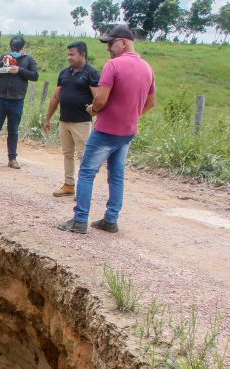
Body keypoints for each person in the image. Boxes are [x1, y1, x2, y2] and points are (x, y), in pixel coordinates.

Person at [57, 25, 156, 234]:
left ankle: (80, 220)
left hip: (106, 131)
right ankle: (111, 220)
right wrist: (132, 116)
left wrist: (92, 110)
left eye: (111, 43)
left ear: (124, 42)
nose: (108, 48)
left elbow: (101, 100)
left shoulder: (113, 65)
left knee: (86, 172)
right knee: (117, 175)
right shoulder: (147, 68)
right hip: (127, 132)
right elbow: (151, 102)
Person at [44, 41, 100, 197]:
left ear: (82, 55)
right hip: (64, 121)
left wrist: (96, 114)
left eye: (72, 54)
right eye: (68, 54)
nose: (69, 57)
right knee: (67, 154)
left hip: (82, 122)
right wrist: (48, 118)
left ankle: (83, 190)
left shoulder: (91, 73)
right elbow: (56, 97)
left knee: (83, 156)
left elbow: (98, 98)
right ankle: (69, 185)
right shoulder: (64, 73)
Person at [0, 36, 39, 170]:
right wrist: (2, 63)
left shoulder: (28, 59)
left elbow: (35, 76)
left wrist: (19, 70)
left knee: (13, 130)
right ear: (10, 47)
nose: (15, 51)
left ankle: (12, 159)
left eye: (18, 49)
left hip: (17, 100)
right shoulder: (4, 57)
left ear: (23, 47)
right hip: (0, 98)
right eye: (13, 48)